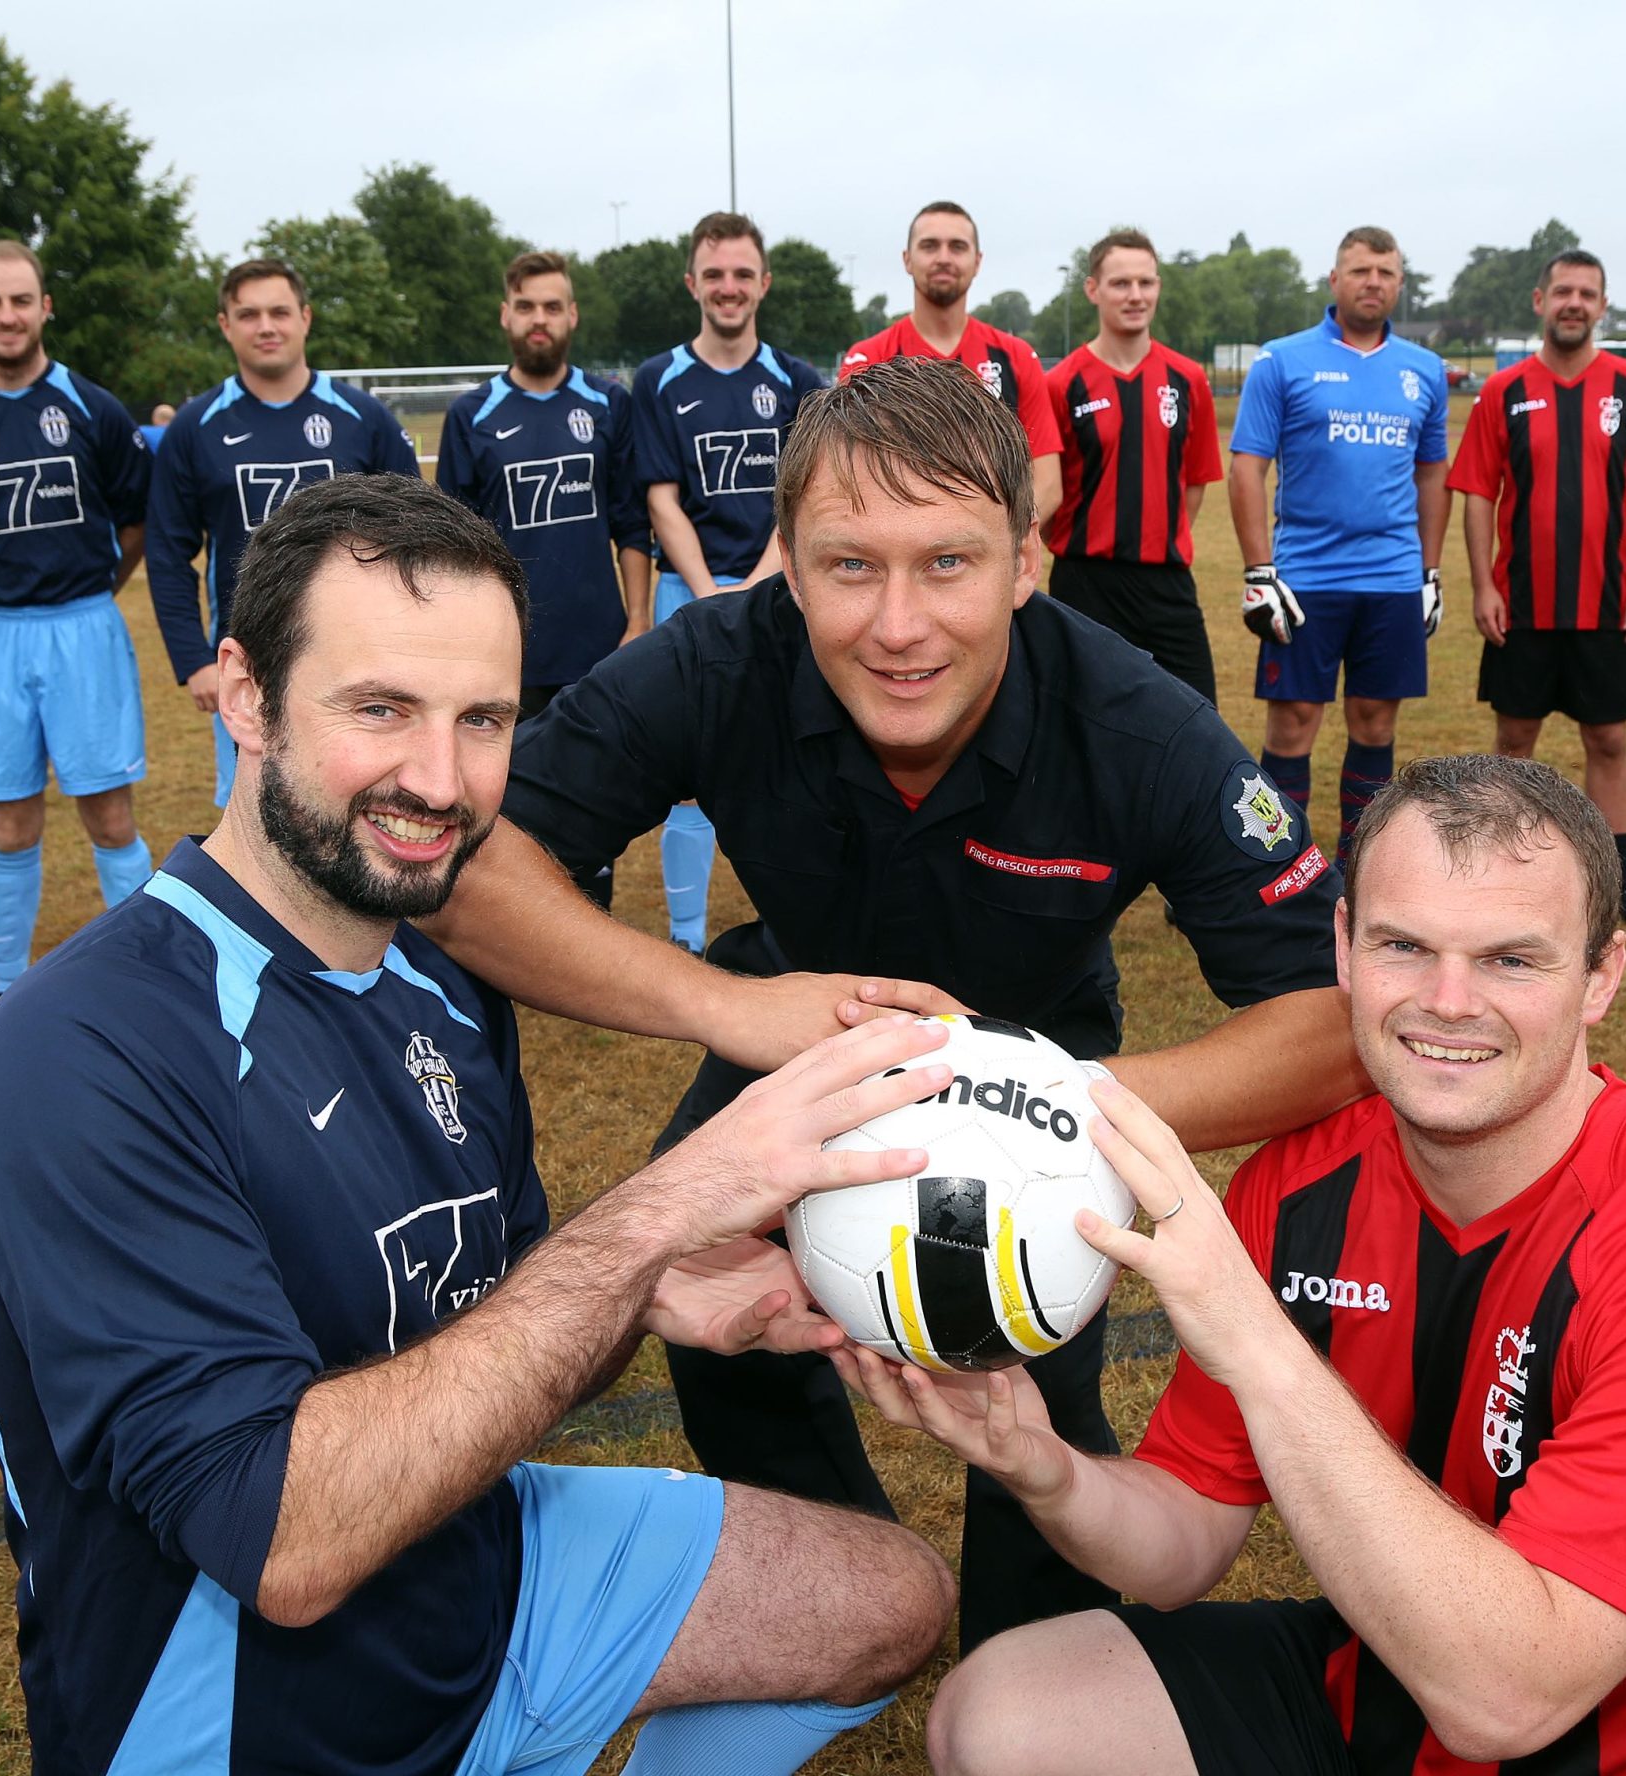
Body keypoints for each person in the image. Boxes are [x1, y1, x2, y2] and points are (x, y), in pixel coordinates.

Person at [0, 474, 958, 1776]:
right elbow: (284, 1545)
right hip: (263, 1726)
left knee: (887, 1598)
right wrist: (655, 1212)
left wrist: (641, 1291)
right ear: (243, 697)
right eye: (380, 709)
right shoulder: (81, 1056)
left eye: (484, 720)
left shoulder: (445, 984)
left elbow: (493, 1337)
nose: (441, 777)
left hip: (478, 1569)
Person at [418, 355, 1365, 1652]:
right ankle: (844, 1584)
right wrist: (726, 1010)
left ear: (1027, 562)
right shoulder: (718, 662)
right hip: (791, 1028)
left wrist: (1040, 1102)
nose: (899, 626)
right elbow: (467, 868)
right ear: (789, 571)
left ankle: (1029, 1642)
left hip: (1043, 1052)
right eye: (851, 567)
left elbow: (1329, 1008)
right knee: (720, 1319)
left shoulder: (1131, 721)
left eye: (948, 564)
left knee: (1030, 1345)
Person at [842, 754, 1626, 1776]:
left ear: (1600, 977)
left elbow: (1508, 1701)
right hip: (1385, 1693)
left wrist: (1254, 1338)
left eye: (1511, 959)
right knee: (1003, 1715)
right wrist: (1042, 1466)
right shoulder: (1299, 1188)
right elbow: (1184, 1541)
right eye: (1403, 946)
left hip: (1603, 1741)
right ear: (1343, 948)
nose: (1446, 1002)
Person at [0, 240, 156, 1064]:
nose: (7, 316)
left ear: (46, 306)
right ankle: (6, 992)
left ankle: (152, 984)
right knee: (10, 824)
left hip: (84, 624)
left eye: (21, 300)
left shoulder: (92, 407)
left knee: (109, 815)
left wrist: (87, 588)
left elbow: (134, 523)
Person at [1446, 248, 1626, 932]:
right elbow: (1479, 495)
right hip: (1522, 604)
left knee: (1608, 739)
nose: (1574, 302)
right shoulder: (1504, 390)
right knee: (1514, 737)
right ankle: (1497, 877)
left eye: (1588, 293)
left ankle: (1616, 885)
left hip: (1608, 606)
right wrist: (1484, 583)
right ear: (1539, 301)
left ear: (1603, 306)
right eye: (1563, 291)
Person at [146, 257, 421, 807]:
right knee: (256, 810)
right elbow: (168, 552)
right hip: (250, 658)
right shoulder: (195, 428)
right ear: (226, 325)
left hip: (358, 651)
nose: (265, 326)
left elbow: (412, 537)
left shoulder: (363, 418)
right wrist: (193, 661)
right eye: (248, 314)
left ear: (305, 318)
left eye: (279, 311)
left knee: (358, 799)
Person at [632, 212, 830, 954]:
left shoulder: (796, 382)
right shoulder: (659, 380)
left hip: (783, 587)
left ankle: (806, 924)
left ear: (764, 284)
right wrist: (711, 593)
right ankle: (687, 939)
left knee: (797, 752)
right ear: (693, 283)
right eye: (714, 274)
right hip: (689, 593)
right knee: (690, 773)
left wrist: (754, 587)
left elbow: (808, 500)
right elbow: (660, 498)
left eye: (742, 274)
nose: (729, 287)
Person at [1227, 226, 1450, 872]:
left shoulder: (1423, 369)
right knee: (1292, 723)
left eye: (1385, 271)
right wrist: (1258, 570)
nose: (1372, 281)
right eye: (1359, 270)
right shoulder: (1282, 360)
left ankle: (1361, 867)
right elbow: (1248, 468)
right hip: (1304, 577)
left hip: (1390, 579)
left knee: (1375, 721)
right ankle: (1273, 866)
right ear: (1334, 280)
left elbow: (1433, 472)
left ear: (1400, 283)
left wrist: (1429, 571)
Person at [436, 250, 651, 911]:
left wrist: (637, 623)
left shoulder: (609, 404)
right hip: (507, 646)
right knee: (497, 787)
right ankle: (501, 918)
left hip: (595, 642)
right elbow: (453, 550)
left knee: (594, 787)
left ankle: (589, 915)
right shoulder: (471, 415)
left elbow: (632, 525)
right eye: (526, 306)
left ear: (572, 316)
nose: (539, 319)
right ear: (506, 315)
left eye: (552, 307)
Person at [1042, 228, 1224, 706]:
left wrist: (1153, 539)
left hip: (1166, 583)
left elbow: (1194, 483)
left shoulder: (1188, 379)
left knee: (1197, 718)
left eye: (1146, 282)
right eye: (1121, 283)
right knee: (1080, 725)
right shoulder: (1062, 383)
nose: (1136, 295)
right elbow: (1045, 486)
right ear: (1093, 289)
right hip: (1084, 582)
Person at [839, 202, 1063, 535]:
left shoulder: (1015, 357)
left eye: (957, 247)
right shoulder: (868, 359)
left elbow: (1047, 482)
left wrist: (991, 544)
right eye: (930, 246)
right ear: (907, 259)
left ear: (977, 261)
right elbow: (848, 474)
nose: (943, 257)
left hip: (989, 559)